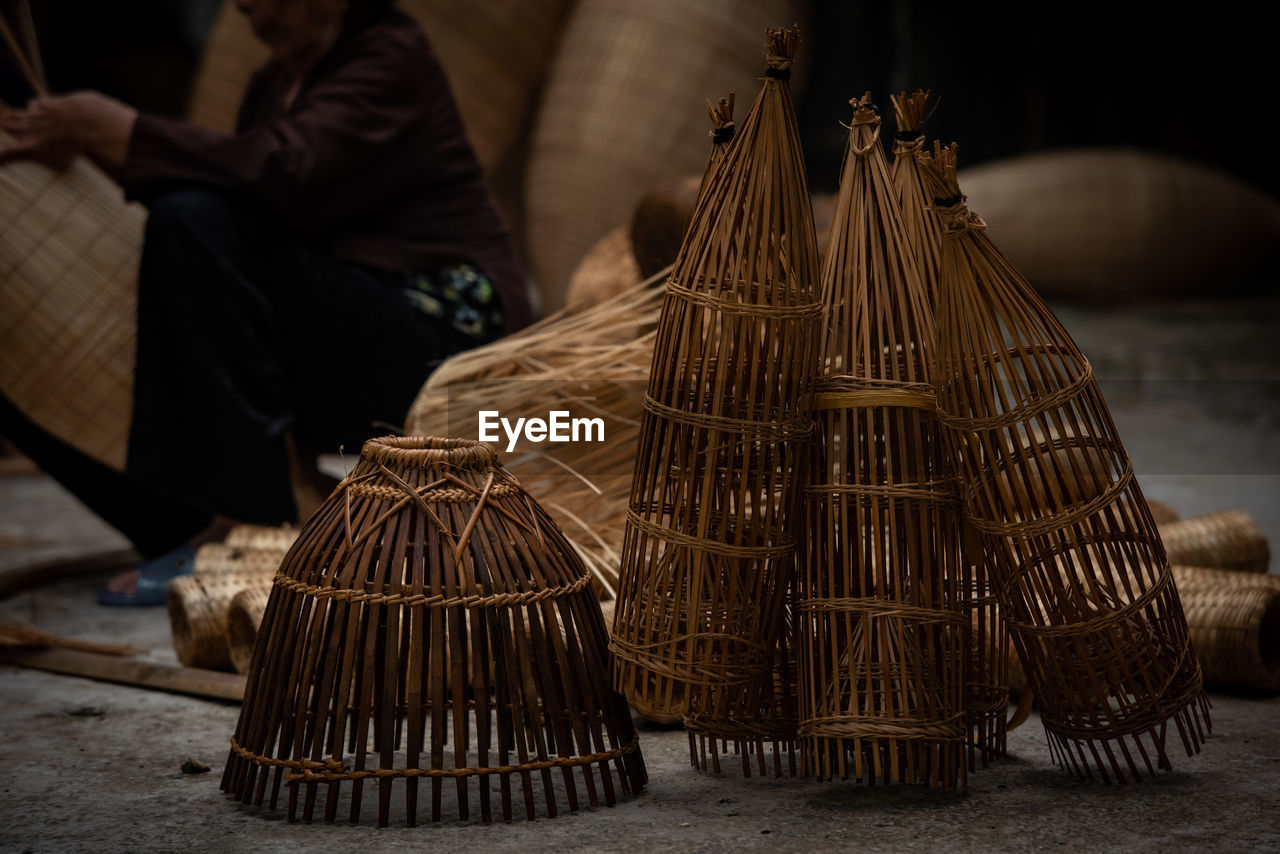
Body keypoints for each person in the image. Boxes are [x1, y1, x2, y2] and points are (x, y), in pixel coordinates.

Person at [0, 0, 531, 603]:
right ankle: (199, 527)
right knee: (185, 242)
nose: (245, 5)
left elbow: (284, 170)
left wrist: (127, 133)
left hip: (443, 342)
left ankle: (250, 522)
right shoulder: (273, 83)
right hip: (347, 326)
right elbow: (251, 198)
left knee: (197, 220)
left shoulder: (389, 53)